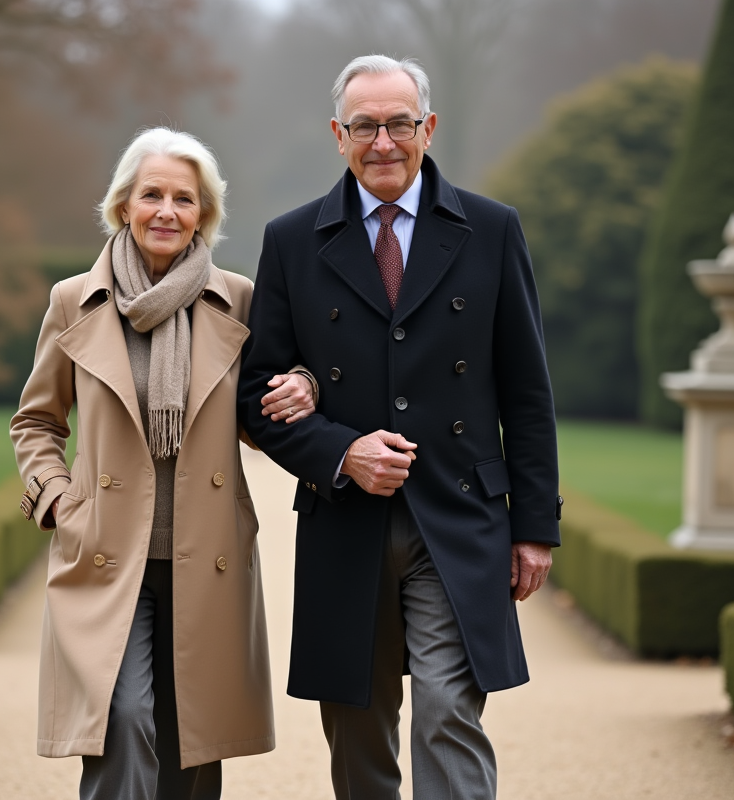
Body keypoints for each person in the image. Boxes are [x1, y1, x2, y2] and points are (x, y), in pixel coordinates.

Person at [237, 55, 563, 800]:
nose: (383, 142)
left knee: (450, 710)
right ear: (338, 135)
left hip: (460, 515)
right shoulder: (292, 240)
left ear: (429, 127)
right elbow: (256, 394)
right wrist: (342, 451)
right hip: (345, 520)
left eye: (399, 124)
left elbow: (527, 391)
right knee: (357, 729)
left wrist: (535, 527)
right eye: (365, 126)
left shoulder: (491, 229)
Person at [10, 127, 316, 800]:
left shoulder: (239, 299)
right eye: (152, 195)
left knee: (191, 743)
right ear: (124, 204)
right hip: (106, 553)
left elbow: (263, 413)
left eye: (185, 198)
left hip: (207, 554)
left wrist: (302, 386)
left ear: (203, 213)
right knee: (121, 719)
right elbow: (36, 421)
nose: (167, 212)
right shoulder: (73, 301)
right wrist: (57, 496)